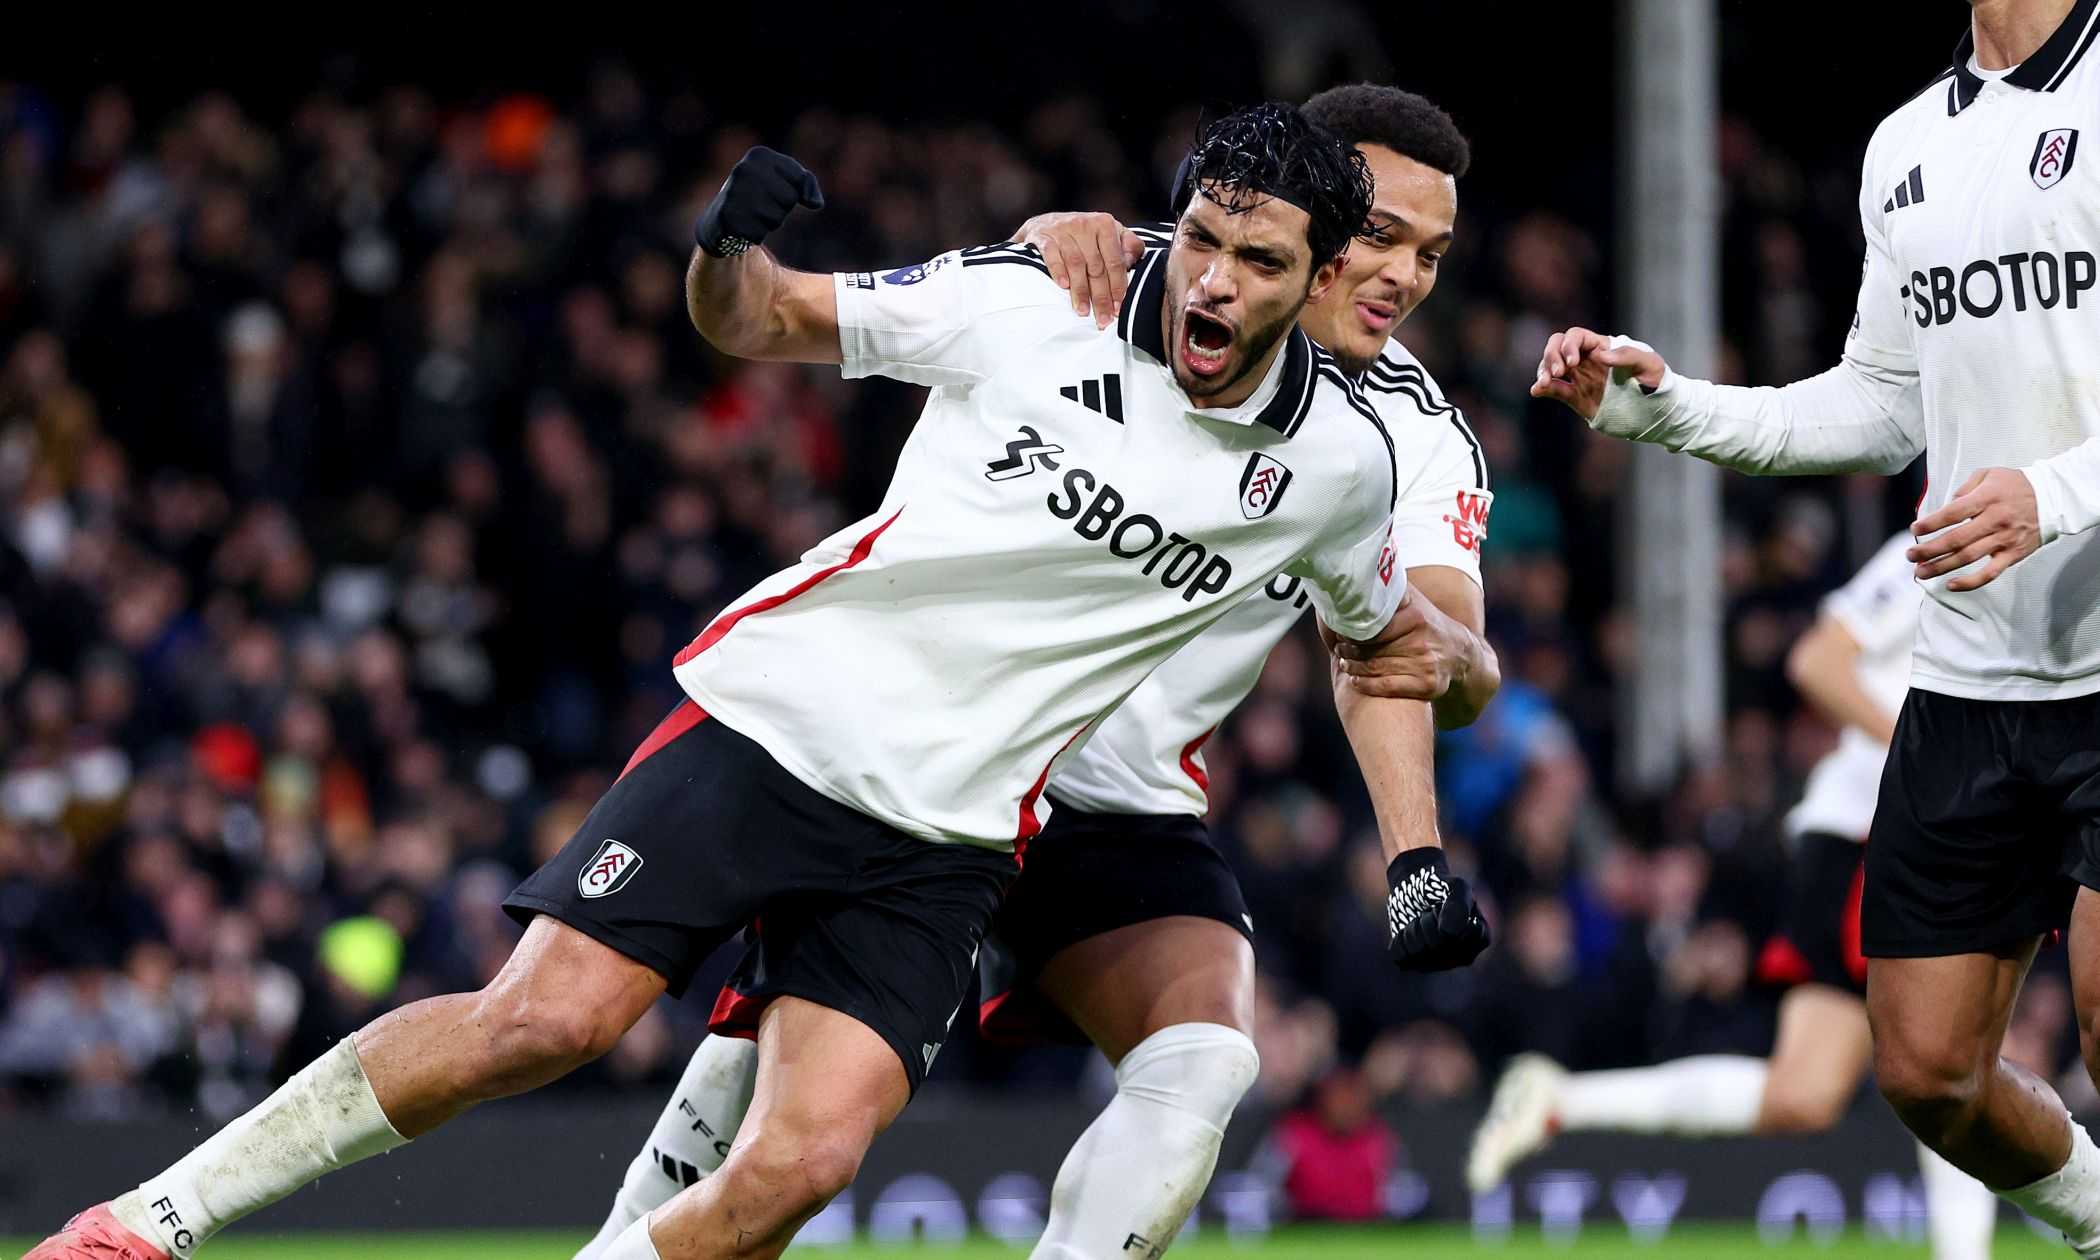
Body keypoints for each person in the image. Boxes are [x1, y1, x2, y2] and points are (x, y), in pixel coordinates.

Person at [30, 102, 1491, 1260]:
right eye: (1205, 244)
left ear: (1308, 286)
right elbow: (766, 318)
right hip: (784, 724)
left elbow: (1391, 641)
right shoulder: (1028, 303)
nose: (1217, 286)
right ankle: (139, 1227)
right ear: (1176, 226)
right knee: (540, 1025)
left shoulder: (1342, 472)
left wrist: (1447, 734)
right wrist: (724, 253)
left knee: (798, 1167)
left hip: (952, 837)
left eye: (1258, 265)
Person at [575, 84, 1495, 1260]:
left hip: (1119, 803)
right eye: (1378, 235)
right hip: (930, 749)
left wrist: (1419, 846)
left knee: (1206, 1058)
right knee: (767, 1110)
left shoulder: (1408, 441)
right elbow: (845, 320)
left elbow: (1415, 657)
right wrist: (1042, 241)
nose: (1405, 276)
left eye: (1433, 251)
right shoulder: (1098, 279)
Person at [1525, 0, 2100, 1251]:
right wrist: (1668, 409)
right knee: (1927, 1072)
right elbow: (1881, 404)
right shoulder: (1905, 147)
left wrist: (2052, 493)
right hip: (1971, 679)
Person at [1466, 533, 2004, 1260]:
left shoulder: (2030, 525)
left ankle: (1561, 1101)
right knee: (1950, 1065)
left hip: (1895, 830)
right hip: (1879, 830)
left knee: (1806, 1094)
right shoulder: (1950, 530)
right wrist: (1934, 759)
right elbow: (1817, 660)